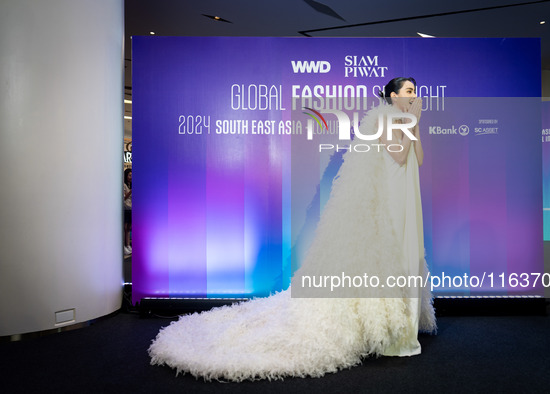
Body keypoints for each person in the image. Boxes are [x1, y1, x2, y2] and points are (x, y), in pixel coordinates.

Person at [148, 77, 436, 381]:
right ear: (393, 96)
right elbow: (398, 155)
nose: (414, 96)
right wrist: (412, 122)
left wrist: (415, 126)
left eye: (414, 91)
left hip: (408, 200)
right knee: (395, 256)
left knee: (410, 256)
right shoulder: (384, 120)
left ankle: (406, 322)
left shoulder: (405, 121)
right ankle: (394, 330)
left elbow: (417, 158)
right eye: (409, 91)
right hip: (392, 201)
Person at [124, 169, 132, 255]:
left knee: (129, 228)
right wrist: (130, 191)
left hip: (130, 208)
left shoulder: (130, 185)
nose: (131, 177)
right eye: (129, 175)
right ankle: (125, 245)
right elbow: (124, 198)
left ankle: (128, 245)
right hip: (126, 208)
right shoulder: (124, 185)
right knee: (125, 228)